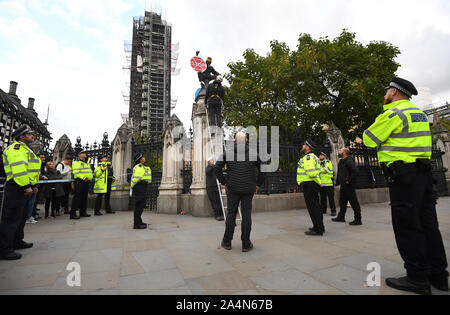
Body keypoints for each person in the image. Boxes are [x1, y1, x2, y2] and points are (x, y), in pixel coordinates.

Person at [363, 77, 448, 295]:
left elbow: (369, 140)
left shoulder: (393, 113)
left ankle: (417, 277)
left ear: (394, 92)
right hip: (424, 174)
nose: (385, 95)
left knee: (408, 226)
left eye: (387, 91)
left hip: (404, 176)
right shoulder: (418, 113)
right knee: (428, 224)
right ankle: (438, 275)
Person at [215, 132, 266, 252]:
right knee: (246, 214)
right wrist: (258, 184)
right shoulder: (253, 153)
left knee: (231, 214)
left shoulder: (228, 152)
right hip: (248, 188)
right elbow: (263, 168)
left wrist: (224, 182)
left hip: (232, 188)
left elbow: (217, 168)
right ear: (246, 140)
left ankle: (227, 242)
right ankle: (246, 244)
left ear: (235, 141)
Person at [0, 126, 40, 260]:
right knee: (11, 218)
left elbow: (30, 169)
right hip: (17, 186)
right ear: (21, 137)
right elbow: (19, 169)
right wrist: (26, 185)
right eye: (29, 134)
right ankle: (4, 249)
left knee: (21, 216)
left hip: (24, 185)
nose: (31, 136)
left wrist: (33, 185)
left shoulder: (25, 149)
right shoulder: (15, 149)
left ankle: (17, 241)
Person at [297, 139, 324, 236]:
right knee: (316, 206)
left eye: (304, 144)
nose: (302, 145)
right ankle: (319, 226)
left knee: (313, 207)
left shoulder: (308, 157)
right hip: (312, 184)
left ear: (308, 147)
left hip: (309, 184)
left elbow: (311, 172)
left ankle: (318, 229)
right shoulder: (313, 157)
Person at [332, 148, 363, 226]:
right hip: (343, 185)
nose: (338, 152)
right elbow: (340, 173)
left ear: (345, 153)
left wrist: (349, 180)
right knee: (342, 202)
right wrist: (338, 182)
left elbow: (355, 171)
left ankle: (358, 219)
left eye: (340, 151)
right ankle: (341, 217)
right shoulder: (342, 161)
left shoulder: (349, 161)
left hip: (349, 185)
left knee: (353, 202)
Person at [130, 154, 152, 229]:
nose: (144, 158)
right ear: (140, 159)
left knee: (141, 205)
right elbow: (136, 178)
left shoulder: (142, 167)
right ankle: (136, 224)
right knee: (139, 205)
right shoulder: (139, 167)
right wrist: (131, 185)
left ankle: (139, 221)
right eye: (143, 157)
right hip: (139, 186)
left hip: (142, 186)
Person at [70, 150, 93, 220]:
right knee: (77, 197)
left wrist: (90, 178)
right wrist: (83, 177)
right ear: (79, 155)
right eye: (82, 153)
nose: (85, 154)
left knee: (84, 197)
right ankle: (73, 214)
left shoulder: (86, 162)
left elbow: (89, 172)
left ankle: (83, 212)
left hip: (86, 181)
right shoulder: (77, 162)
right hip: (79, 181)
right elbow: (76, 172)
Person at [319, 152, 336, 216]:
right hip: (322, 184)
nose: (319, 156)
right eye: (319, 155)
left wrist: (318, 169)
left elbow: (325, 169)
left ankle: (333, 211)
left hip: (328, 184)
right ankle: (323, 210)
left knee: (331, 198)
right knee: (323, 198)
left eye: (321, 155)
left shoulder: (328, 162)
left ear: (325, 156)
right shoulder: (319, 163)